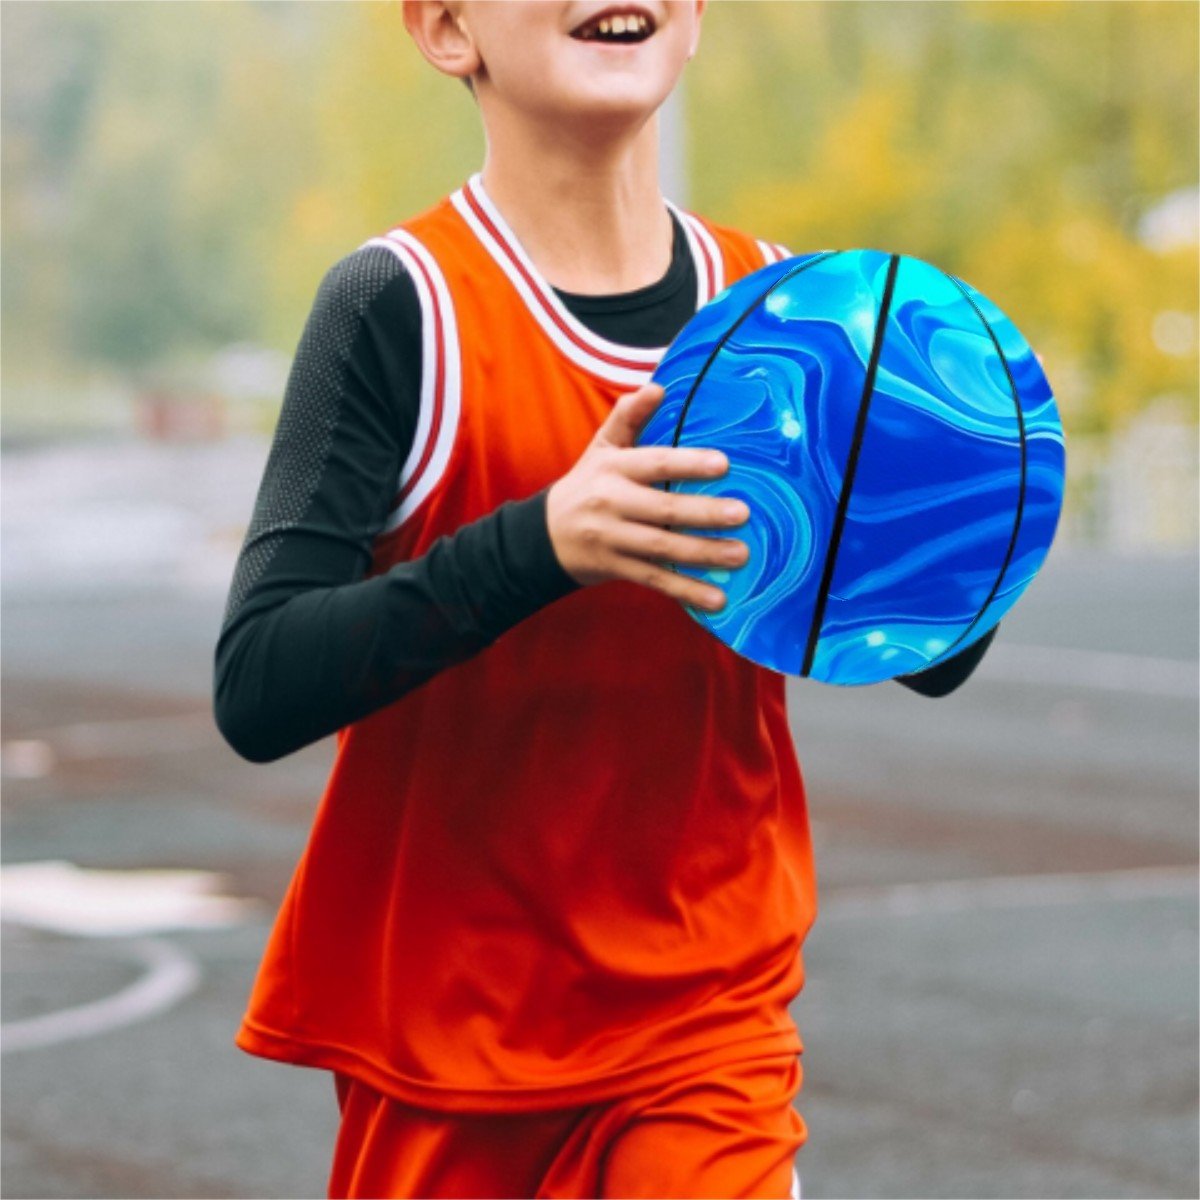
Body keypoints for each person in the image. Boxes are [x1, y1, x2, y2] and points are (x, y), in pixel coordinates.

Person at [213, 2, 996, 1195]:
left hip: (706, 1015)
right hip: (448, 1033)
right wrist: (541, 543)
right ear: (443, 29)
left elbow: (933, 655)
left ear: (692, 23)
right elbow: (258, 682)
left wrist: (957, 513)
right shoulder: (399, 306)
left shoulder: (795, 317)